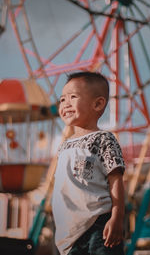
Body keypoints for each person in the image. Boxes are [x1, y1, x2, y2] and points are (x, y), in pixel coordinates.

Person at [52, 71, 125, 255]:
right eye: (62, 99)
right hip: (69, 231)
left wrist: (117, 217)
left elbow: (115, 180)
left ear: (98, 104)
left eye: (73, 97)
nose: (65, 104)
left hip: (98, 224)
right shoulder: (63, 147)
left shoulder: (104, 139)